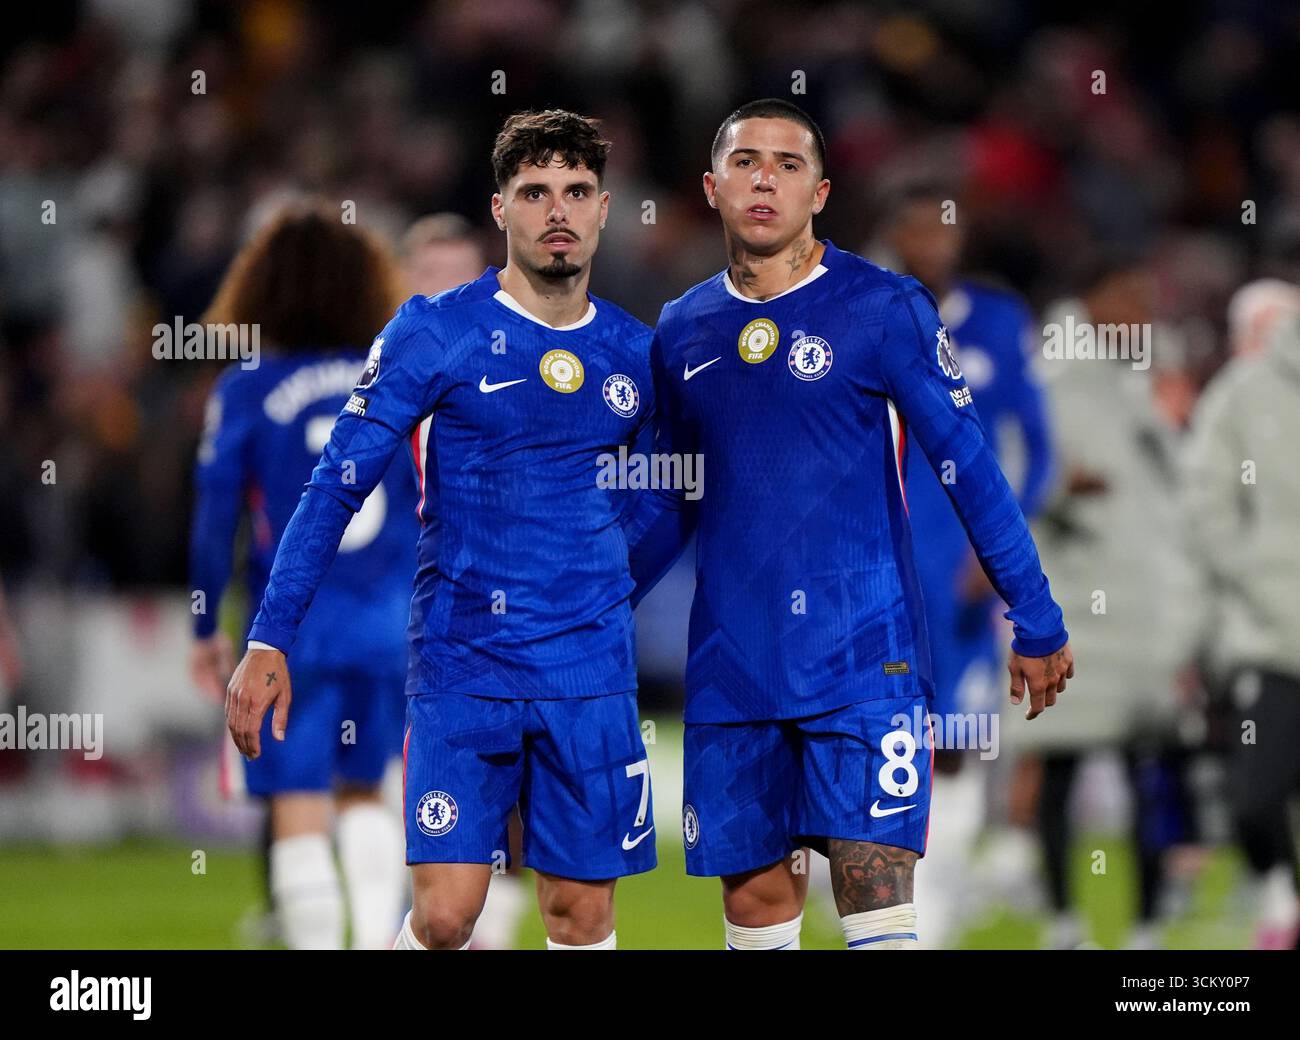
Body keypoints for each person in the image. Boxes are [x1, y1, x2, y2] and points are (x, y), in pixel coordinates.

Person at [624, 98, 1074, 950]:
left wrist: (1037, 612)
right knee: (757, 912)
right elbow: (669, 496)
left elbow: (969, 465)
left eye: (788, 165)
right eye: (746, 161)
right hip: (734, 667)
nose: (765, 178)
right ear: (710, 186)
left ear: (821, 192)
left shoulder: (884, 308)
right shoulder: (682, 328)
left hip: (866, 654)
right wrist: (595, 602)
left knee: (874, 896)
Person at [225, 110, 657, 950]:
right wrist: (270, 634)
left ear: (605, 208)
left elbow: (677, 495)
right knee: (448, 915)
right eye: (534, 192)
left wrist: (611, 580)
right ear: (501, 210)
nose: (556, 210)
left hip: (590, 672)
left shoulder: (637, 354)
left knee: (582, 913)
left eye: (576, 191)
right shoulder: (434, 331)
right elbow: (333, 485)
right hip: (464, 663)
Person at [189, 202, 416, 948]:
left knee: (296, 803)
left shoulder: (249, 386)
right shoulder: (392, 376)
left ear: (266, 286)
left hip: (291, 634)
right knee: (366, 795)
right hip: (392, 625)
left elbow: (215, 515)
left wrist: (203, 626)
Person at [875, 181, 1055, 947]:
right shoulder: (864, 312)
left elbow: (1040, 448)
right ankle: (872, 894)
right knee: (867, 738)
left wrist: (1000, 546)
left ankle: (935, 908)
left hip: (957, 576)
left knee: (949, 741)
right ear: (896, 238)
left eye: (945, 232)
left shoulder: (999, 321)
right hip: (870, 565)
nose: (933, 247)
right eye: (917, 232)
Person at [1184, 299, 1300, 950]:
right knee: (1256, 797)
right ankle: (1282, 900)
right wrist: (1256, 576)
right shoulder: (1241, 395)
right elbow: (1206, 504)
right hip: (1270, 635)